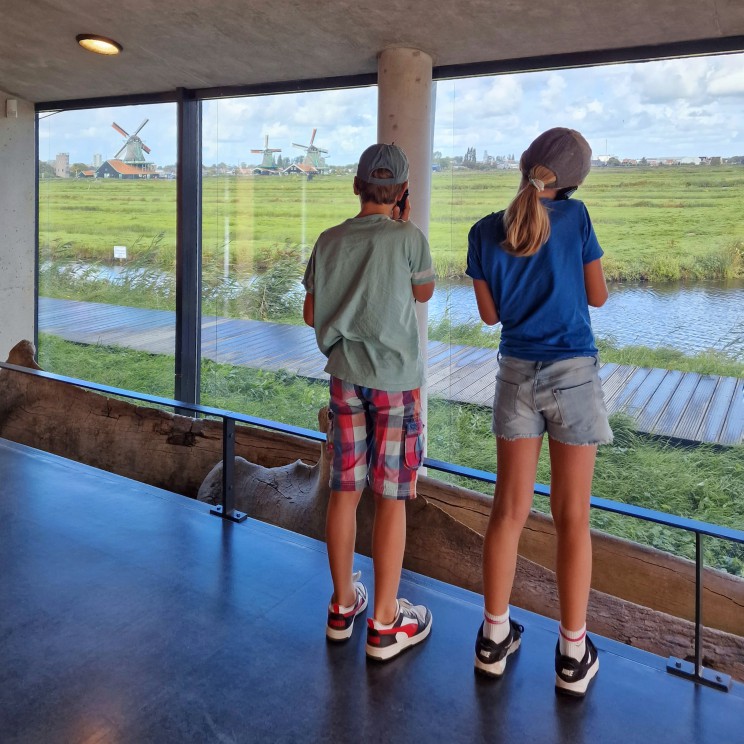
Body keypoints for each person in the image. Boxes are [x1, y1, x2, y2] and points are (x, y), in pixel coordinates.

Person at [466, 127, 612, 697]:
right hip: (573, 374)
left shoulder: (484, 231)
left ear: (524, 165)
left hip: (515, 374)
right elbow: (596, 297)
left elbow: (489, 316)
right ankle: (573, 654)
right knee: (573, 516)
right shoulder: (576, 221)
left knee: (508, 511)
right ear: (574, 181)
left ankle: (493, 639)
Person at [302, 143, 436, 662]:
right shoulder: (409, 238)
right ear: (402, 193)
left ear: (356, 186)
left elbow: (311, 313)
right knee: (392, 497)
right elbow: (422, 295)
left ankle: (341, 607)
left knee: (345, 490)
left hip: (344, 378)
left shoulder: (329, 240)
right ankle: (384, 622)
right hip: (397, 382)